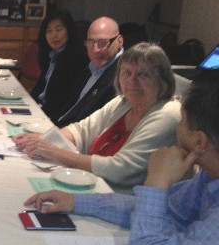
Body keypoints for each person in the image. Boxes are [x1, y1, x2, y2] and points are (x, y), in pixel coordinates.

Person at [24, 70, 219, 245]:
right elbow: (166, 212)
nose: (177, 127)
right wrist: (77, 201)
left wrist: (156, 185)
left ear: (199, 142)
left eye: (181, 121)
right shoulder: (207, 180)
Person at [14, 43, 180, 192]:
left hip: (123, 200)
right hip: (92, 185)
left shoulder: (167, 114)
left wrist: (54, 152)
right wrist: (44, 140)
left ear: (163, 80)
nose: (132, 81)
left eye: (143, 74)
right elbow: (82, 130)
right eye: (126, 73)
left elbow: (120, 169)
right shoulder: (123, 102)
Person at [56, 16, 124, 127]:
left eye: (103, 43)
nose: (96, 49)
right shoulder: (90, 68)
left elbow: (97, 126)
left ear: (119, 41)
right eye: (90, 42)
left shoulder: (124, 75)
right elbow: (70, 106)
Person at [30, 10, 89, 123]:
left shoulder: (78, 58)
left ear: (69, 30)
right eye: (49, 31)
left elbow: (67, 100)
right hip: (39, 110)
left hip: (54, 117)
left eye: (59, 29)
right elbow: (39, 88)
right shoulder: (52, 55)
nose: (54, 35)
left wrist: (41, 114)